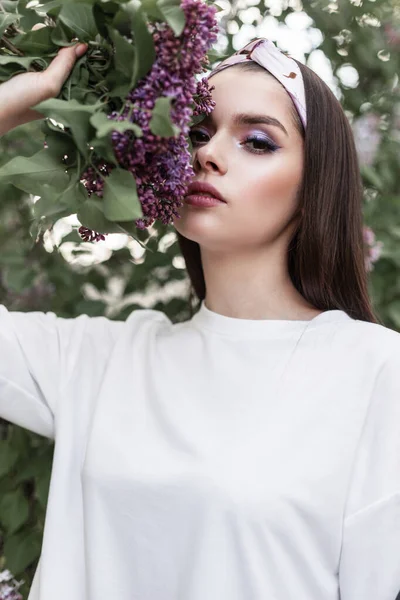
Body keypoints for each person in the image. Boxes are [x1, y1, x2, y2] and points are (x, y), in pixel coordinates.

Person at [0, 29, 399, 600]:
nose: (208, 154)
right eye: (194, 132)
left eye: (257, 141)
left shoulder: (375, 370)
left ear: (316, 183)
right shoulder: (99, 361)